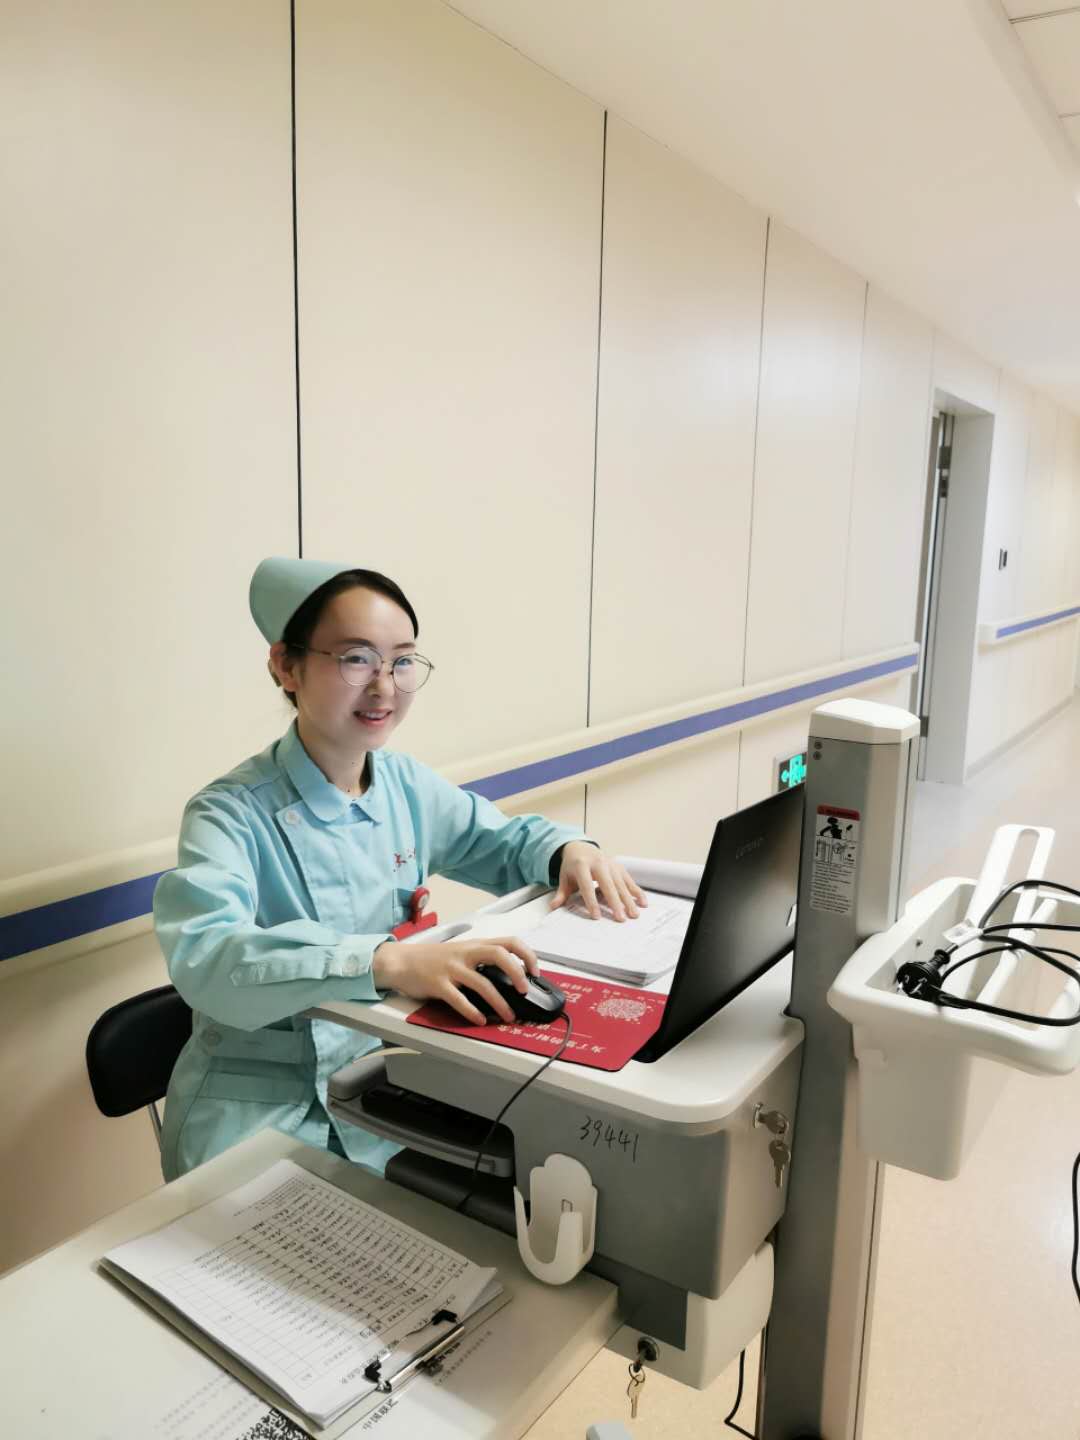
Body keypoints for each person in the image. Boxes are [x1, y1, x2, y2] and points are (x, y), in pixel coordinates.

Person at [153, 557, 647, 1181]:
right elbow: (208, 957)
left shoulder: (403, 785)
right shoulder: (228, 812)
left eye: (402, 661)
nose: (385, 687)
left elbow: (499, 840)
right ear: (286, 666)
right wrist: (386, 962)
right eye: (356, 659)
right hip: (253, 1119)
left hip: (377, 1095)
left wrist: (567, 851)